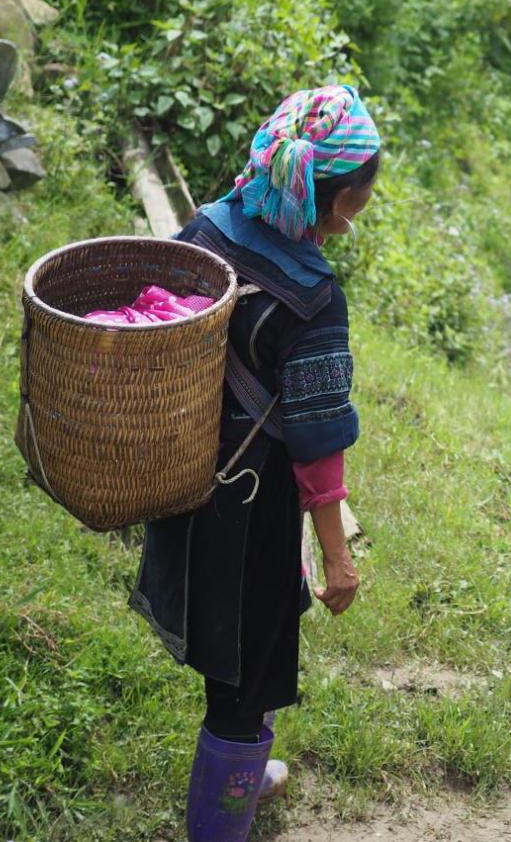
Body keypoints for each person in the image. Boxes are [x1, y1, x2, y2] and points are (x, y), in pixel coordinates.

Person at [131, 84, 381, 842]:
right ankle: (220, 819)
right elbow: (317, 442)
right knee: (241, 677)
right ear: (336, 200)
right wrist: (338, 560)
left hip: (186, 476)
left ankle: (249, 775)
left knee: (245, 647)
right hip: (250, 505)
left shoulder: (207, 225)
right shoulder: (314, 296)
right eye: (365, 192)